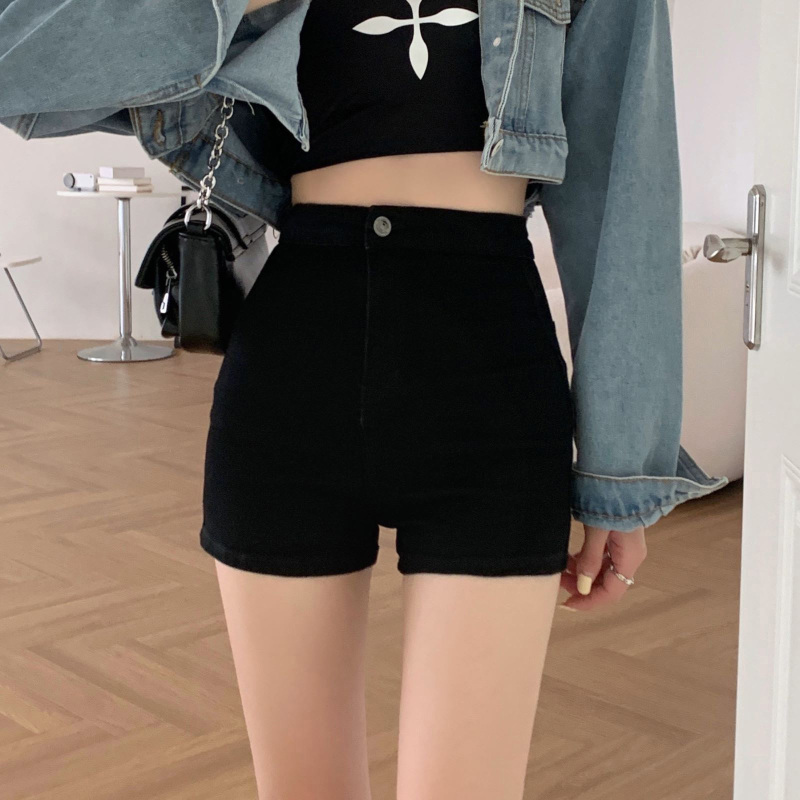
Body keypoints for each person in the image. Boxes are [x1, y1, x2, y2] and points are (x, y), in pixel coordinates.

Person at [0, 0, 729, 797]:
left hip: (489, 379)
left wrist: (622, 469)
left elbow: (622, 175)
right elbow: (18, 64)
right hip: (294, 372)